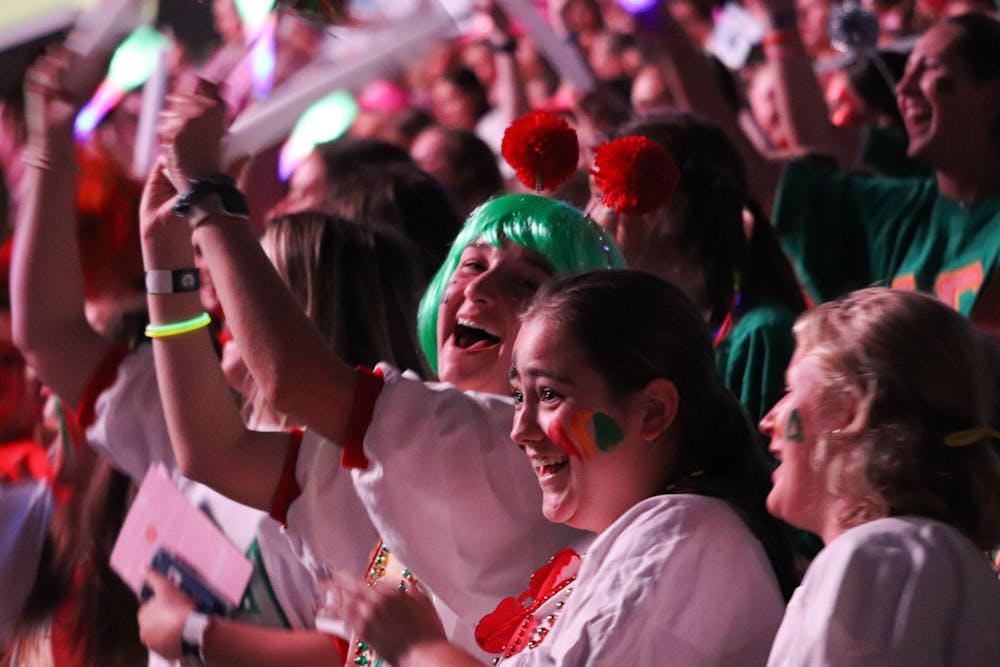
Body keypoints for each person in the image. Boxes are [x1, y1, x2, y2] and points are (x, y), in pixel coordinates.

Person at [145, 77, 627, 658]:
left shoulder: (500, 442)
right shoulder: (409, 437)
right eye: (471, 263)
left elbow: (292, 382)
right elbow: (214, 453)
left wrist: (210, 199)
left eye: (526, 284)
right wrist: (166, 261)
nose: (479, 289)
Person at [324, 269, 795, 666]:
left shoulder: (687, 536)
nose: (520, 430)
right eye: (518, 397)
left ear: (652, 412)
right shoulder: (649, 535)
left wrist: (418, 649)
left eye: (549, 395)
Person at [761, 287, 1000, 664]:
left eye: (790, 389)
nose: (767, 420)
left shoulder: (880, 555)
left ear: (848, 409)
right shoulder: (915, 553)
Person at [590, 113, 806, 425]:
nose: (590, 215)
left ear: (671, 210)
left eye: (603, 196)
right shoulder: (644, 332)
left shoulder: (760, 336)